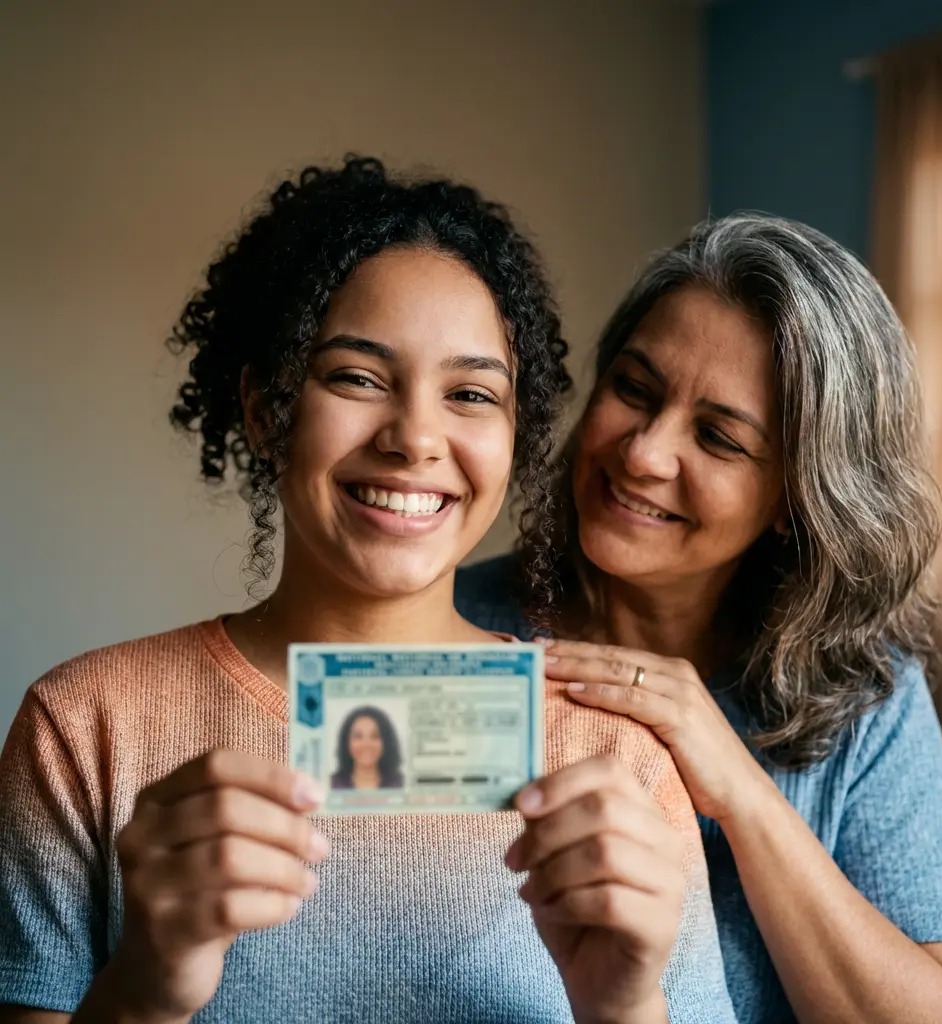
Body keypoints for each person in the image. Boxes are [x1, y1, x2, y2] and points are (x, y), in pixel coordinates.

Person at [0, 158, 737, 1024]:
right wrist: (146, 987)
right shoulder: (84, 728)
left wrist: (625, 1006)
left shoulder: (620, 758)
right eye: (357, 377)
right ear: (267, 409)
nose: (416, 436)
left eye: (470, 393)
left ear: (515, 437)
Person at [457, 214, 942, 1024]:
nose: (644, 453)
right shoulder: (451, 621)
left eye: (718, 437)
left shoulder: (865, 696)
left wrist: (738, 788)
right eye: (634, 389)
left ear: (795, 499)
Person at [331, 706, 404, 790]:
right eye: (358, 736)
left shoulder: (401, 785)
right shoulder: (331, 785)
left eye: (375, 736)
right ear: (346, 742)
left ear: (386, 742)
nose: (366, 744)